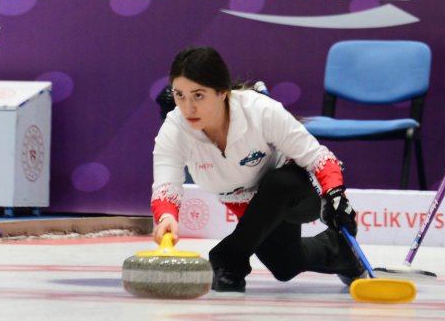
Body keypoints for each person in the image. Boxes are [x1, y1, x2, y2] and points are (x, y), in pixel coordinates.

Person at [151, 46, 364, 293]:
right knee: (285, 265)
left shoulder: (259, 110)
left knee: (278, 184)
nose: (188, 108)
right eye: (180, 95)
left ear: (222, 92)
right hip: (254, 209)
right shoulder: (175, 128)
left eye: (198, 95)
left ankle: (227, 259)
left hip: (299, 191)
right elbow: (166, 186)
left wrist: (336, 196)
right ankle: (340, 253)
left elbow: (317, 157)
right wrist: (167, 217)